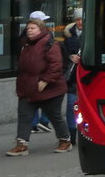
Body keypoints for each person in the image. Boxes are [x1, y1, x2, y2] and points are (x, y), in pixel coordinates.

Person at [6, 12, 70, 156]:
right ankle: (22, 145)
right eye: (28, 28)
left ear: (41, 29)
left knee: (54, 115)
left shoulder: (50, 44)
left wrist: (45, 80)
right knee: (24, 115)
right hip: (29, 87)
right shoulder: (26, 44)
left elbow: (56, 65)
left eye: (33, 28)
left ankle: (65, 140)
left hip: (49, 89)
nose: (29, 30)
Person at [62, 8, 83, 140]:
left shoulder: (92, 33)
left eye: (82, 19)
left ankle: (83, 131)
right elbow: (62, 52)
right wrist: (70, 57)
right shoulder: (68, 35)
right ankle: (71, 132)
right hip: (72, 76)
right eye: (77, 19)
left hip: (86, 74)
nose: (80, 22)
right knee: (71, 104)